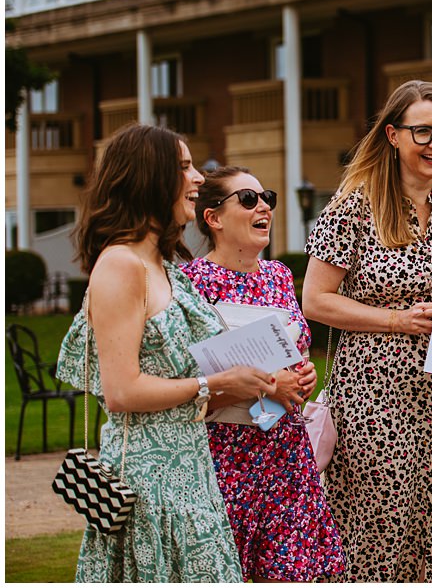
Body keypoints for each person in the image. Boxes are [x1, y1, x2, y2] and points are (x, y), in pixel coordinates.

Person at [55, 124, 276, 582]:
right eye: (183, 167)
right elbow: (120, 390)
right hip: (147, 481)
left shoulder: (166, 265)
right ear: (147, 178)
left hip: (192, 471)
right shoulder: (120, 264)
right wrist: (216, 384)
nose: (198, 177)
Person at [301, 80, 432, 582]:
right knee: (381, 525)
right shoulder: (353, 208)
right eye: (423, 132)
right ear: (393, 135)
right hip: (376, 394)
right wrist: (397, 319)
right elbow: (316, 300)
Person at [180, 166, 345, 581]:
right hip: (227, 458)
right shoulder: (193, 283)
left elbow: (294, 350)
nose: (264, 206)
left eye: (266, 196)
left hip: (287, 455)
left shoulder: (279, 276)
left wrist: (302, 376)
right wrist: (270, 386)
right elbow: (184, 385)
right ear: (213, 218)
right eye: (249, 199)